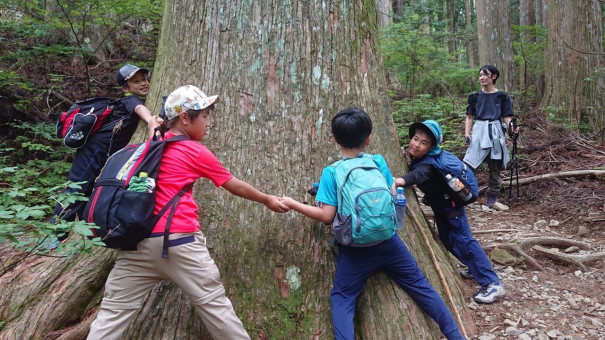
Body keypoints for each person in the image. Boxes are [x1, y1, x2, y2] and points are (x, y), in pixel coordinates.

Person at [87, 85, 289, 339]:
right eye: (204, 116)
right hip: (178, 243)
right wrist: (267, 199)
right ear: (185, 118)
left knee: (113, 314)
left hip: (135, 242)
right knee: (215, 307)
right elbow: (232, 184)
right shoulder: (194, 151)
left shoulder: (151, 146)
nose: (207, 123)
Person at [280, 107, 466, 340]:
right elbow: (390, 190)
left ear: (335, 139)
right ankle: (456, 336)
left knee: (342, 298)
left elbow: (327, 216)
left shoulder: (331, 173)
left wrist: (293, 203)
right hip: (389, 241)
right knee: (420, 286)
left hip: (355, 248)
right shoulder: (377, 161)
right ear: (368, 139)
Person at [394, 120, 505, 304]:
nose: (416, 144)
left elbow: (419, 175)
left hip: (452, 209)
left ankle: (492, 283)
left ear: (431, 147)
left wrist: (400, 181)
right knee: (448, 240)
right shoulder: (427, 159)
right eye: (415, 139)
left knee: (464, 241)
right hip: (444, 208)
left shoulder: (428, 164)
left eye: (423, 143)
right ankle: (474, 267)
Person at [51, 64, 161, 232]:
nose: (143, 83)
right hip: (95, 149)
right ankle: (55, 233)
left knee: (87, 189)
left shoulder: (130, 100)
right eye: (136, 81)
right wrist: (150, 121)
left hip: (102, 151)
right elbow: (139, 108)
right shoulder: (130, 99)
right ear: (125, 88)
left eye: (145, 79)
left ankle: (85, 230)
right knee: (77, 186)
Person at [463, 65, 518, 208]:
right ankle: (467, 194)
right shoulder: (474, 96)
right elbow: (470, 117)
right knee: (469, 164)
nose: (481, 77)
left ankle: (492, 196)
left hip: (495, 131)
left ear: (493, 77)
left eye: (485, 75)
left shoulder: (502, 96)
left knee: (495, 165)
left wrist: (512, 128)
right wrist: (467, 133)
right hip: (479, 130)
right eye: (480, 75)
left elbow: (507, 116)